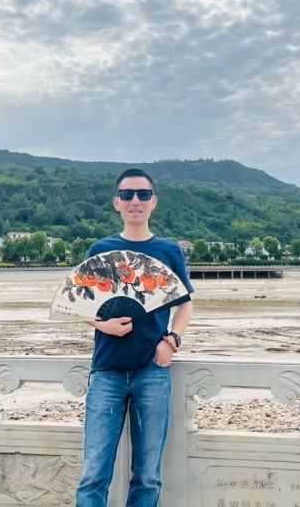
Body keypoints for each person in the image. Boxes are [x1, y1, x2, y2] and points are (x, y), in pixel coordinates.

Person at [75, 168, 194, 507]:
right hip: (107, 370)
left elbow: (184, 305)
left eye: (142, 194)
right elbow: (80, 303)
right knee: (94, 473)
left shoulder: (169, 250)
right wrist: (103, 325)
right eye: (127, 195)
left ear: (153, 201)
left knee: (147, 475)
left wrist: (172, 340)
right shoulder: (101, 248)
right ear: (117, 203)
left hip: (152, 370)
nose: (135, 201)